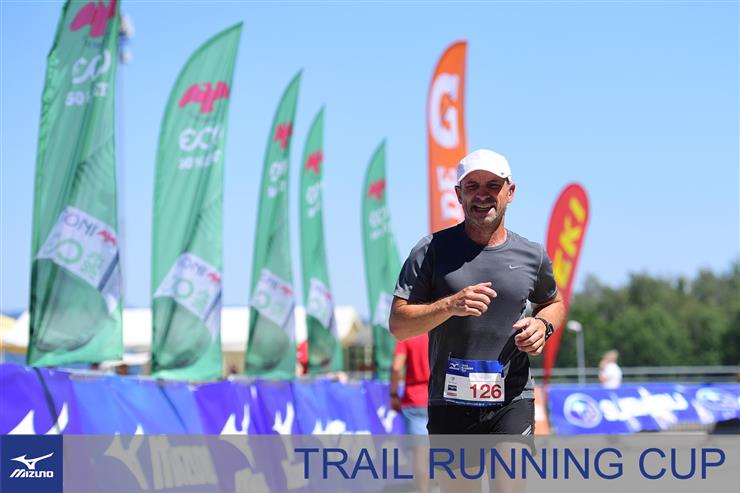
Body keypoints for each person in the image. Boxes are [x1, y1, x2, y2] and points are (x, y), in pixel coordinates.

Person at [389, 148, 566, 436]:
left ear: (510, 192)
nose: (482, 195)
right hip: (449, 402)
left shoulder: (532, 255)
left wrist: (542, 325)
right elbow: (399, 326)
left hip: (512, 398)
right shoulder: (431, 250)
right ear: (459, 194)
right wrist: (449, 305)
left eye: (493, 186)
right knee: (460, 470)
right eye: (472, 186)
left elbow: (554, 303)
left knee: (511, 465)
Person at [390, 333, 431, 493]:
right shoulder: (437, 330)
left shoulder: (408, 334)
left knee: (420, 454)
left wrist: (393, 394)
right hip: (437, 397)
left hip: (414, 400)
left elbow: (396, 367)